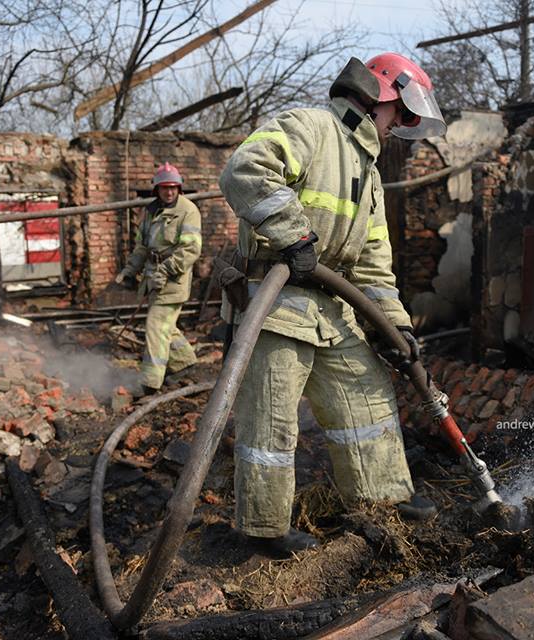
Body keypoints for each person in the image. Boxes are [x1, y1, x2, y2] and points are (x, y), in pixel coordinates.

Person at [218, 53, 447, 554]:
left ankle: (382, 497)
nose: (400, 126)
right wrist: (294, 236)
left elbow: (373, 265)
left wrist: (395, 327)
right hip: (273, 306)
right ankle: (264, 529)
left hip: (331, 311)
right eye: (401, 113)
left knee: (368, 395)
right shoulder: (311, 127)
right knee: (271, 421)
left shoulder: (370, 172)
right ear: (378, 94)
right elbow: (245, 169)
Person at [116, 163, 202, 395]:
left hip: (173, 280)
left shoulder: (188, 211)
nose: (169, 192)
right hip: (152, 278)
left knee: (155, 326)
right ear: (157, 189)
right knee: (165, 325)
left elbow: (191, 250)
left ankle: (149, 383)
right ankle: (184, 362)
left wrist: (165, 271)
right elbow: (142, 246)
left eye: (173, 187)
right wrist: (129, 270)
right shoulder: (150, 212)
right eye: (164, 188)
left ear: (179, 188)